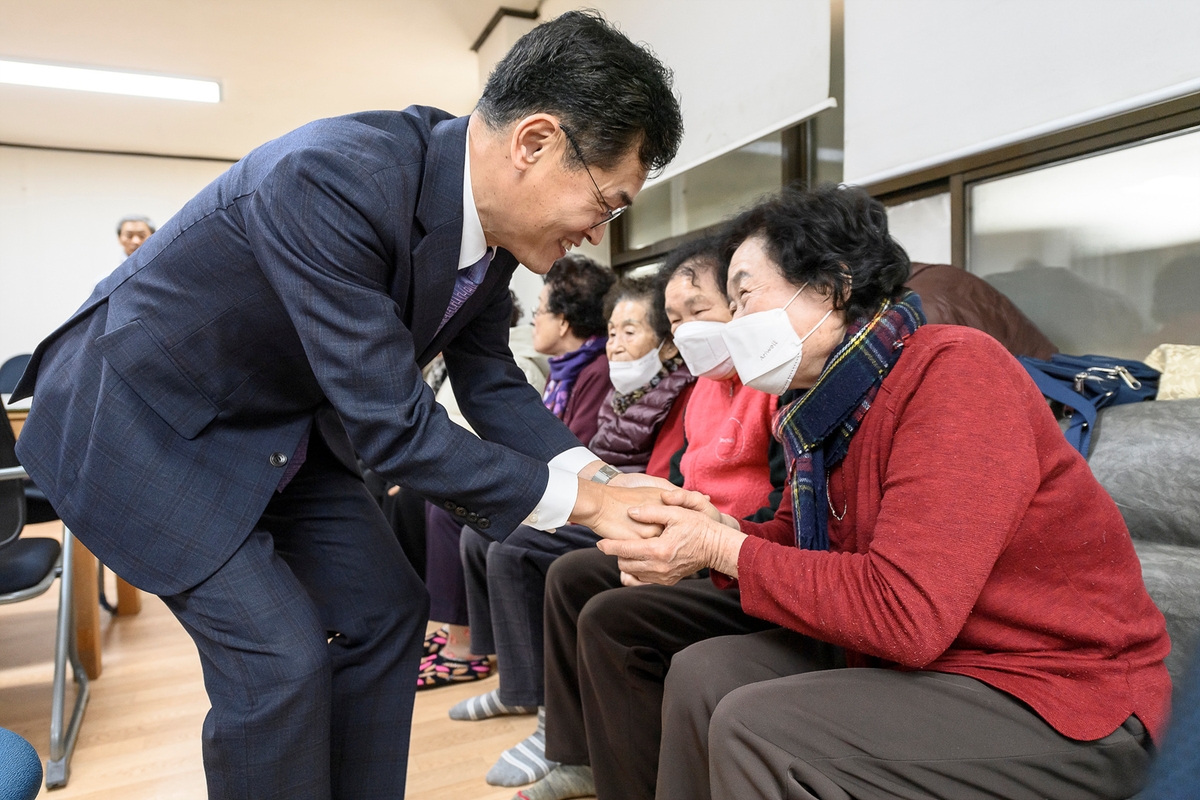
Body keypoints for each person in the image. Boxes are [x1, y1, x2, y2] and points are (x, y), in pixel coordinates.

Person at [10, 12, 682, 799]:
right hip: (143, 424)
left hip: (269, 426)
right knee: (279, 662)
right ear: (533, 144)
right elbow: (397, 430)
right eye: (606, 204)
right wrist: (589, 507)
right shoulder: (332, 177)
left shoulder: (491, 237)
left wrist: (600, 474)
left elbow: (491, 381)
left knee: (388, 607)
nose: (600, 236)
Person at [598, 185, 1171, 800]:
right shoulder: (820, 409)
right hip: (935, 662)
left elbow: (907, 614)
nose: (734, 326)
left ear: (833, 285)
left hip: (1057, 693)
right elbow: (795, 539)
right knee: (702, 671)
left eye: (743, 297)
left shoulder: (955, 372)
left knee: (759, 728)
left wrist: (720, 550)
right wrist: (720, 529)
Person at [524, 236, 790, 800]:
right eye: (676, 318)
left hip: (735, 551)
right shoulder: (703, 391)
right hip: (693, 529)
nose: (688, 329)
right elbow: (681, 477)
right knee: (571, 573)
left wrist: (706, 536)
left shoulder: (772, 388)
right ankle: (578, 756)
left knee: (607, 616)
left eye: (703, 311)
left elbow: (779, 511)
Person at [456, 275, 694, 788]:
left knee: (516, 547)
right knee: (479, 526)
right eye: (612, 331)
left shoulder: (682, 391)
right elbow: (599, 457)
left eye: (631, 330)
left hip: (655, 512)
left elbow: (668, 475)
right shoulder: (621, 390)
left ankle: (543, 714)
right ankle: (513, 684)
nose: (615, 344)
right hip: (621, 499)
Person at [418, 258, 613, 689]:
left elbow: (577, 446)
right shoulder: (566, 373)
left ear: (564, 322)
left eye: (541, 310)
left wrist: (604, 486)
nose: (535, 319)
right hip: (574, 482)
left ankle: (484, 658)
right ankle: (474, 644)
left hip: (581, 487)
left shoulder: (590, 372)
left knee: (491, 533)